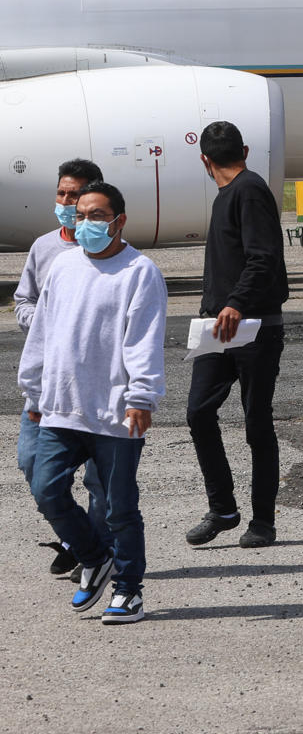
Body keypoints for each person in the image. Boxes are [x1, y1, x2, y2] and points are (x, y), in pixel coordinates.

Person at [20, 180, 167, 624]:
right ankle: (93, 557)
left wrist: (141, 396)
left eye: (97, 216)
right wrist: (33, 389)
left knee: (118, 507)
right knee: (46, 488)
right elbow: (43, 332)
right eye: (81, 215)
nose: (86, 223)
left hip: (115, 412)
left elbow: (144, 340)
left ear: (119, 221)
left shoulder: (139, 271)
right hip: (61, 406)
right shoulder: (63, 267)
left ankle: (128, 590)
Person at [185, 122, 290, 550]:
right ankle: (223, 508)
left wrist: (237, 303)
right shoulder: (228, 195)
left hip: (253, 326)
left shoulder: (249, 190)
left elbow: (263, 257)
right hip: (217, 326)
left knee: (255, 421)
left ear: (204, 159)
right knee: (198, 413)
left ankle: (262, 521)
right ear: (243, 149)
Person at [13, 157, 107, 578]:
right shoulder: (44, 247)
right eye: (62, 193)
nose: (67, 202)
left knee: (100, 483)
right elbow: (24, 301)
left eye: (75, 194)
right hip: (46, 385)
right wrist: (47, 322)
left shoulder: (110, 252)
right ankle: (80, 538)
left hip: (94, 387)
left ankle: (86, 551)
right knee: (35, 467)